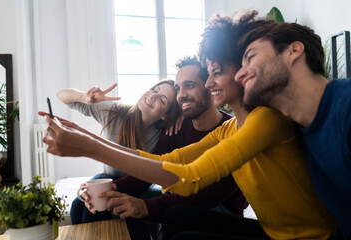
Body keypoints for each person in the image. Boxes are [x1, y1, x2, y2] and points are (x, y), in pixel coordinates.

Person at [41, 11, 337, 240]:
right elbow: (168, 161)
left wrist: (89, 147)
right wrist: (84, 136)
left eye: (216, 73)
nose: (210, 83)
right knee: (177, 219)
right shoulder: (229, 129)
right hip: (271, 232)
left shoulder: (266, 119)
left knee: (182, 229)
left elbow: (191, 177)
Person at [99, 56, 247, 235]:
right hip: (181, 199)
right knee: (116, 203)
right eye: (178, 88)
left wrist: (145, 207)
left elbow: (207, 195)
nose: (181, 95)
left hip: (221, 209)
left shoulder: (233, 130)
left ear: (209, 86)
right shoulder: (176, 128)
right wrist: (111, 190)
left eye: (189, 85)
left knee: (173, 216)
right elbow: (156, 165)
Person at [234, 19, 351, 239]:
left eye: (250, 57)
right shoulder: (292, 130)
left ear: (293, 50)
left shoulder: (346, 109)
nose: (239, 75)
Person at [56, 79, 181, 229]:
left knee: (116, 208)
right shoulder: (114, 111)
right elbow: (62, 95)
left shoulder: (165, 134)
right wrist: (85, 97)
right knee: (78, 205)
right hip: (109, 177)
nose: (153, 96)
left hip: (139, 185)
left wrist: (181, 117)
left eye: (162, 99)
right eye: (155, 90)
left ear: (165, 115)